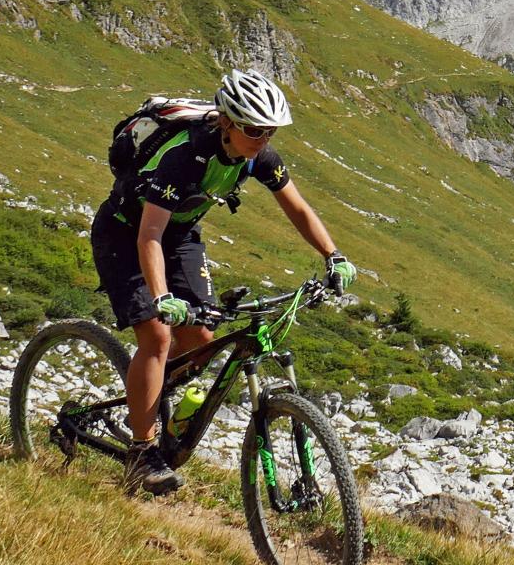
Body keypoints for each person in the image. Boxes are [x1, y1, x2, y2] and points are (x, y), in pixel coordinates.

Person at [89, 68, 358, 494]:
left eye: (270, 130)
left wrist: (333, 255)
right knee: (158, 337)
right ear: (228, 124)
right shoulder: (183, 159)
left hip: (180, 234)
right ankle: (142, 451)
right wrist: (162, 298)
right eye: (254, 129)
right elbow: (149, 236)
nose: (263, 139)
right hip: (126, 234)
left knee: (200, 340)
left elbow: (299, 209)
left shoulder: (257, 156)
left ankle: (154, 401)